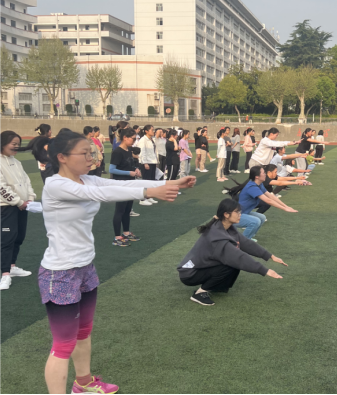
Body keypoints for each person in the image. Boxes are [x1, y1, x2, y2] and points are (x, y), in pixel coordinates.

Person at [38, 130, 196, 395]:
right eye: (84, 153)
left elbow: (122, 185)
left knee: (84, 332)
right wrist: (152, 191)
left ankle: (83, 383)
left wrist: (172, 182)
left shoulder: (86, 179)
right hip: (60, 272)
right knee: (63, 344)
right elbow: (104, 194)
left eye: (91, 153)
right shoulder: (56, 185)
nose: (91, 158)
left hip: (85, 266)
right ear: (62, 157)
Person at [177, 199, 287, 306]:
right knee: (230, 264)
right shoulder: (217, 237)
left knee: (232, 263)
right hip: (190, 274)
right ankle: (199, 293)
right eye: (237, 212)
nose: (240, 214)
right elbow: (239, 257)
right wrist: (265, 270)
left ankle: (216, 286)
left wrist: (269, 256)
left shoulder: (227, 228)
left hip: (200, 267)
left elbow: (246, 243)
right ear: (226, 214)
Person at [0, 131, 36, 291]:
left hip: (22, 206)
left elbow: (26, 181)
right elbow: (1, 188)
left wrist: (30, 198)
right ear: (3, 143)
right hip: (6, 207)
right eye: (13, 144)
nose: (16, 147)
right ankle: (5, 274)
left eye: (18, 144)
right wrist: (19, 202)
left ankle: (12, 266)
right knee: (6, 239)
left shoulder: (17, 162)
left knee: (18, 237)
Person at [231, 166, 298, 242]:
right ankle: (243, 242)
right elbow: (268, 200)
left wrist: (286, 206)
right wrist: (284, 209)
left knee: (262, 217)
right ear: (257, 176)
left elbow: (271, 196)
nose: (265, 174)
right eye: (263, 173)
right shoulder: (252, 187)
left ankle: (248, 238)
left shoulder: (259, 184)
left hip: (242, 213)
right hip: (234, 216)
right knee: (255, 221)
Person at [109, 128, 143, 247]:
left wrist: (136, 170)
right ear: (125, 138)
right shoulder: (117, 152)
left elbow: (130, 165)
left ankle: (126, 233)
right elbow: (112, 169)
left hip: (130, 184)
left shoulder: (128, 150)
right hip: (121, 184)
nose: (134, 141)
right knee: (120, 210)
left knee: (127, 210)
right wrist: (129, 173)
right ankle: (117, 237)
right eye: (133, 139)